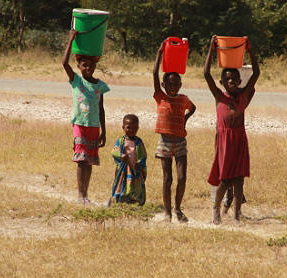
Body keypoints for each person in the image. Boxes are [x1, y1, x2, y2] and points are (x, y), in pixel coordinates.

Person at [204, 35, 260, 225]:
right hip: (225, 141)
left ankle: (236, 215)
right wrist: (211, 50)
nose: (231, 81)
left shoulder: (243, 96)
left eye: (234, 78)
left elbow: (256, 73)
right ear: (222, 82)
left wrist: (250, 50)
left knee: (239, 179)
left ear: (239, 80)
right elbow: (206, 75)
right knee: (225, 179)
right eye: (227, 79)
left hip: (239, 140)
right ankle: (215, 209)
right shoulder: (220, 96)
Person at [62, 29, 110, 205]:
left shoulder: (100, 85)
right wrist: (71, 40)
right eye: (84, 65)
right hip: (80, 125)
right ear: (79, 66)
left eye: (91, 65)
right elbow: (64, 64)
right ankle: (80, 195)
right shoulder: (76, 80)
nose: (88, 68)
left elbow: (101, 108)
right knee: (81, 160)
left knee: (89, 161)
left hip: (94, 126)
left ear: (95, 66)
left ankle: (85, 194)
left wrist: (103, 131)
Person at [153, 40, 196, 223]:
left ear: (180, 84)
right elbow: (155, 73)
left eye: (176, 84)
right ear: (163, 85)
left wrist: (185, 119)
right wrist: (160, 52)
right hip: (164, 142)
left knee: (182, 177)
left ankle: (178, 208)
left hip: (180, 143)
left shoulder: (183, 99)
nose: (173, 87)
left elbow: (193, 108)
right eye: (169, 84)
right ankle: (167, 212)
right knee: (167, 178)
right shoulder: (160, 97)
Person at [109, 114, 147, 206]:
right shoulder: (121, 141)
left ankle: (135, 201)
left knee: (135, 185)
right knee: (122, 184)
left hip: (135, 169)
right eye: (128, 128)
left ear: (138, 128)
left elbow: (143, 155)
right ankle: (120, 200)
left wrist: (139, 163)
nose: (131, 130)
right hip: (123, 170)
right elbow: (114, 151)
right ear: (123, 127)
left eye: (134, 128)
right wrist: (121, 156)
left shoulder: (139, 142)